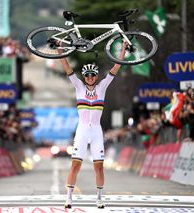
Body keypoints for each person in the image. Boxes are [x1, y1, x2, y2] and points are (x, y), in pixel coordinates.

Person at [58, 41, 127, 209]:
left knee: (99, 167)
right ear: (84, 77)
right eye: (87, 75)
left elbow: (116, 68)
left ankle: (99, 198)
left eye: (92, 75)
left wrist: (123, 49)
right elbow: (66, 67)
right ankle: (68, 198)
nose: (90, 78)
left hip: (96, 131)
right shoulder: (79, 86)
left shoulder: (102, 87)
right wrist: (60, 49)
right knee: (75, 165)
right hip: (81, 130)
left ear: (96, 76)